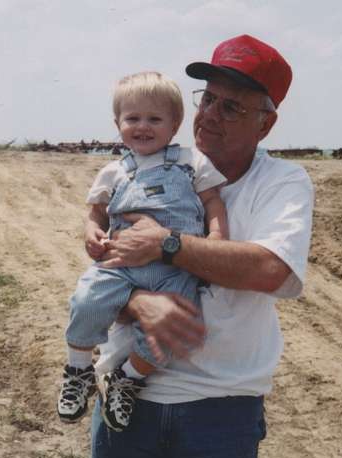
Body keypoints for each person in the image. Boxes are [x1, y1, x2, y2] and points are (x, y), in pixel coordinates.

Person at [84, 35, 313, 458]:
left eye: (231, 107)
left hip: (222, 410)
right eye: (205, 99)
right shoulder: (147, 161)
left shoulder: (282, 183)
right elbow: (99, 263)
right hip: (129, 404)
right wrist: (136, 305)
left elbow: (272, 268)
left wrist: (172, 245)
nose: (209, 115)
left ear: (266, 123)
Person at [58, 71, 229, 432]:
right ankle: (78, 369)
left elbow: (213, 202)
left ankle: (128, 378)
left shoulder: (191, 162)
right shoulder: (114, 171)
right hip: (121, 263)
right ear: (117, 123)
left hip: (175, 269)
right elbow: (96, 213)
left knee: (175, 329)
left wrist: (216, 240)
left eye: (155, 119)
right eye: (132, 118)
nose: (143, 127)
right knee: (87, 298)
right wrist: (92, 233)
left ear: (175, 124)